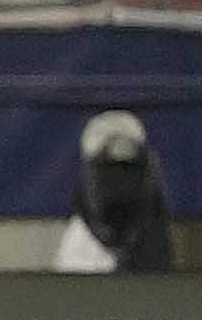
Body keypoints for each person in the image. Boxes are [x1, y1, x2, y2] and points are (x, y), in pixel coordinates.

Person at [52, 106, 174, 272]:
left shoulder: (154, 234)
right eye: (109, 169)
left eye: (129, 169)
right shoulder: (80, 243)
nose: (120, 181)